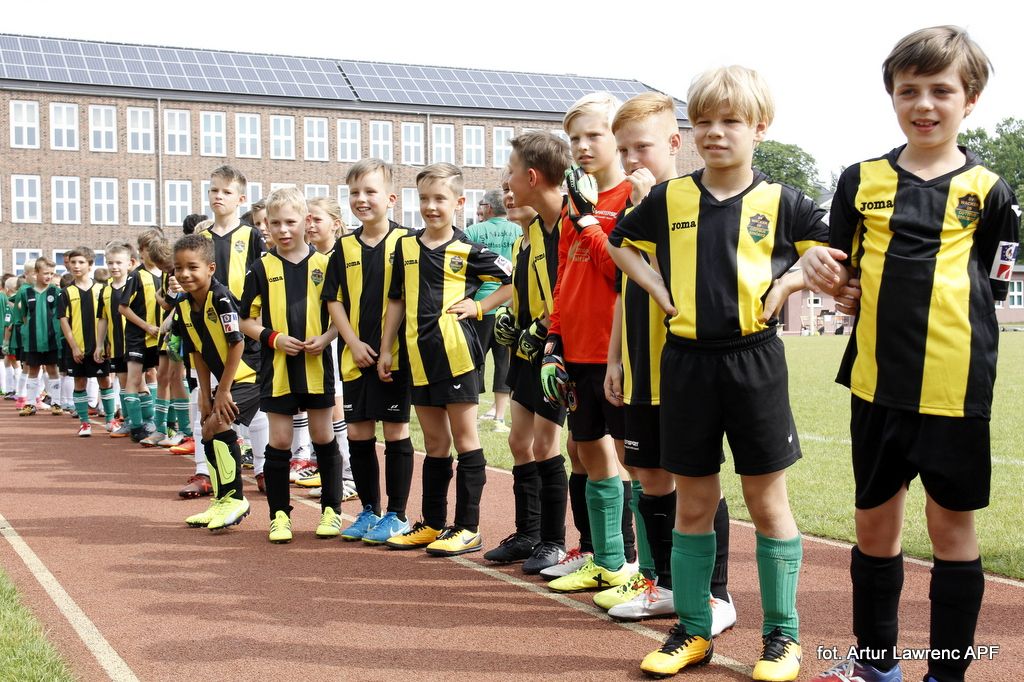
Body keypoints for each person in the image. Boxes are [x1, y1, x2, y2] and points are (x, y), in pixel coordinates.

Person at [802, 26, 1019, 682]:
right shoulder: (859, 180)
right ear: (892, 96)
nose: (924, 103)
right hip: (876, 385)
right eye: (909, 90)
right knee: (874, 528)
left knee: (951, 530)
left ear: (970, 99)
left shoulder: (990, 190)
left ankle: (946, 674)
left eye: (941, 90)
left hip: (955, 388)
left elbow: (995, 281)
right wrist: (824, 273)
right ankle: (876, 666)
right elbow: (840, 273)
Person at [609, 65, 828, 680]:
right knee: (694, 501)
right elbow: (618, 243)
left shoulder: (784, 201)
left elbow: (827, 254)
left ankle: (782, 637)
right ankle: (692, 629)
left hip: (754, 363)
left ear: (760, 128)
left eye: (731, 120)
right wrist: (655, 287)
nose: (715, 132)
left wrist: (789, 282)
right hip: (686, 366)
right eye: (703, 120)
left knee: (766, 500)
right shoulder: (667, 198)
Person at [601, 92, 738, 632]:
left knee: (697, 482)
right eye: (623, 150)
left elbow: (682, 277)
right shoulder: (634, 212)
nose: (631, 159)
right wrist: (615, 359)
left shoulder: (689, 204)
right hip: (640, 365)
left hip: (685, 367)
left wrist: (643, 205)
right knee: (649, 476)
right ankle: (664, 584)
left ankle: (716, 594)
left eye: (642, 147)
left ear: (675, 143)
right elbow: (623, 290)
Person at [376, 162, 512, 556]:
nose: (431, 206)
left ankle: (468, 527)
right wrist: (387, 348)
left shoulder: (469, 249)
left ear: (459, 202)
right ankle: (433, 523)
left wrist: (479, 306)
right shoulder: (405, 246)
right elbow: (396, 300)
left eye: (440, 198)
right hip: (419, 358)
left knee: (465, 440)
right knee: (435, 443)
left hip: (457, 357)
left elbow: (513, 281)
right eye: (424, 198)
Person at [541, 92, 638, 594]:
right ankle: (607, 559)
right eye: (574, 138)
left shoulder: (632, 198)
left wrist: (587, 222)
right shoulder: (574, 204)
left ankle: (633, 563)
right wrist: (554, 336)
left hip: (614, 352)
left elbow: (621, 273)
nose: (582, 146)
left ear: (616, 138)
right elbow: (564, 277)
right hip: (576, 350)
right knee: (587, 451)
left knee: (628, 459)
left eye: (593, 135)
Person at [485, 132, 572, 573]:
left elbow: (567, 292)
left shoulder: (561, 226)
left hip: (554, 351)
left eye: (511, 179)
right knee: (519, 441)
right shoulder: (525, 240)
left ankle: (553, 541)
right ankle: (528, 533)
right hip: (527, 351)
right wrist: (513, 316)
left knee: (545, 444)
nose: (507, 191)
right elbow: (528, 291)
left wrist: (542, 325)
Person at [324, 159, 417, 544]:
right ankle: (368, 510)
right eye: (354, 193)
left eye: (370, 191)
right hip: (354, 355)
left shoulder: (409, 241)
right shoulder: (343, 246)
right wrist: (351, 341)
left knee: (395, 431)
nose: (361, 199)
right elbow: (333, 300)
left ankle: (397, 514)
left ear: (391, 198)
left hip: (395, 358)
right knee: (358, 434)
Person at [240, 187, 340, 544]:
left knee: (323, 436)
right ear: (266, 225)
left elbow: (341, 316)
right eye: (275, 223)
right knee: (280, 441)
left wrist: (326, 338)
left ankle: (331, 509)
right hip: (277, 370)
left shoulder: (326, 265)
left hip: (317, 367)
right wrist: (274, 338)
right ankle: (279, 515)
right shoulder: (261, 268)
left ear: (306, 221)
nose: (283, 230)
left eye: (290, 222)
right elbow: (245, 320)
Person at [172, 234, 262, 531]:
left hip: (251, 374)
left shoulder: (221, 298)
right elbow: (196, 351)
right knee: (208, 427)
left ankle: (235, 498)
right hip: (224, 379)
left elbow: (237, 343)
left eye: (192, 267)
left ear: (210, 268)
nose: (184, 274)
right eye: (178, 268)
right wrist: (204, 394)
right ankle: (222, 499)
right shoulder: (183, 306)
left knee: (218, 423)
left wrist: (222, 391)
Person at [300, 195, 357, 503]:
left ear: (335, 224)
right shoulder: (307, 257)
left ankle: (347, 475)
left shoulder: (342, 256)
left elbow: (344, 307)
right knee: (318, 410)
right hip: (314, 344)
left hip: (337, 343)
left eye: (316, 219)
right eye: (306, 219)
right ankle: (331, 472)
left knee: (335, 407)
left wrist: (329, 336)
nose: (309, 225)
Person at [464, 189, 519, 431]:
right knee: (503, 362)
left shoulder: (473, 231)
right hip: (508, 305)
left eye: (481, 205)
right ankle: (499, 417)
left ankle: (471, 413)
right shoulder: (518, 231)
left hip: (479, 306)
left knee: (476, 361)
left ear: (488, 207)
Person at [57, 246, 112, 436]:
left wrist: (107, 343)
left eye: (81, 262)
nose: (76, 266)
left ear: (90, 265)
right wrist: (73, 347)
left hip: (99, 346)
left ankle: (110, 419)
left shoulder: (102, 289)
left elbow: (108, 318)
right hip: (77, 347)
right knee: (79, 381)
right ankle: (84, 423)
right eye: (73, 262)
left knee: (104, 380)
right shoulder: (66, 292)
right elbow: (64, 321)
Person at [118, 229, 166, 441]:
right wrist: (146, 326)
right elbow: (123, 307)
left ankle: (156, 422)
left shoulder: (166, 274)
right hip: (138, 337)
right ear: (141, 251)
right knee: (135, 379)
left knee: (162, 377)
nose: (152, 253)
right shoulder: (136, 275)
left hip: (161, 337)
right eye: (147, 249)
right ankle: (136, 426)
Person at [11, 257, 62, 416]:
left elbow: (60, 315)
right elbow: (21, 314)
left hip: (51, 338)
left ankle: (56, 403)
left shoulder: (56, 291)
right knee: (32, 369)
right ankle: (31, 403)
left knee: (52, 369)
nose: (49, 276)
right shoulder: (25, 292)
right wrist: (25, 329)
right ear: (36, 273)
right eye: (46, 273)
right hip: (32, 340)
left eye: (52, 273)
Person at [95, 241, 135, 437]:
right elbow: (102, 319)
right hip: (117, 345)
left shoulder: (135, 285)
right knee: (123, 382)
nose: (114, 267)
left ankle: (147, 421)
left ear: (129, 263)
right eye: (110, 263)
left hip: (136, 343)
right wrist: (99, 344)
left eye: (119, 262)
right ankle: (128, 421)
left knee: (142, 381)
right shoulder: (105, 291)